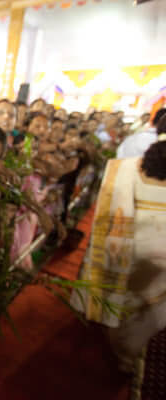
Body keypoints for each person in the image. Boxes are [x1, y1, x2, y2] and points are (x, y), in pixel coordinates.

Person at [71, 131, 166, 399]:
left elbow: (112, 211)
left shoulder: (125, 168)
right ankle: (133, 358)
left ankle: (124, 354)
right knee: (152, 311)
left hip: (131, 250)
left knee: (125, 302)